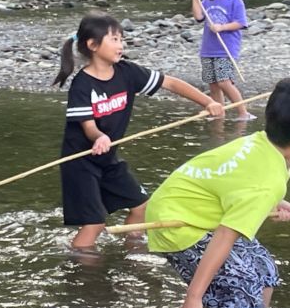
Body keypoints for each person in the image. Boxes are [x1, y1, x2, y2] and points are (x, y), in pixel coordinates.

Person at [145, 78, 290, 308]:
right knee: (238, 291)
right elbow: (225, 235)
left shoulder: (263, 145)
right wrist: (193, 298)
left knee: (265, 270)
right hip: (180, 222)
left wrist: (274, 202)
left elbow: (238, 183)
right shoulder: (266, 183)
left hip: (189, 207)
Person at [52, 13, 224, 251]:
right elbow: (88, 126)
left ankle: (131, 251)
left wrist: (207, 102)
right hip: (80, 162)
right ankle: (80, 270)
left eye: (121, 39)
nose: (120, 45)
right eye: (113, 39)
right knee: (94, 223)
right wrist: (99, 137)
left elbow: (171, 83)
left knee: (142, 206)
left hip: (108, 158)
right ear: (92, 45)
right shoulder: (82, 84)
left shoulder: (127, 72)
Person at [188, 0, 254, 121]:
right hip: (208, 49)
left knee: (224, 81)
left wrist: (222, 27)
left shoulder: (235, 1)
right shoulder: (208, 0)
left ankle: (243, 112)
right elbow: (198, 16)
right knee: (213, 83)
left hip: (226, 49)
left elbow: (240, 23)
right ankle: (219, 113)